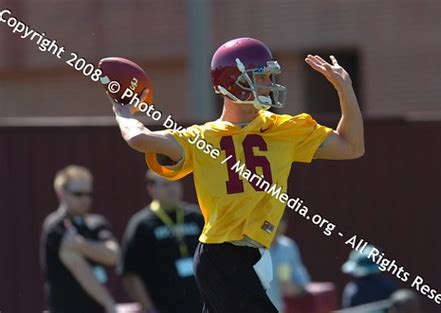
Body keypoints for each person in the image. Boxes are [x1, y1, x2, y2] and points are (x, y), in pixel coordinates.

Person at [111, 37, 364, 313]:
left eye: (270, 76)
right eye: (261, 76)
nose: (269, 83)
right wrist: (123, 112)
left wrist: (345, 90)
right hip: (222, 253)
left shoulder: (285, 129)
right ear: (233, 82)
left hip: (247, 254)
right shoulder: (202, 137)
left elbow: (352, 147)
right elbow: (139, 139)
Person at [118, 170, 204, 313]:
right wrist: (150, 309)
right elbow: (131, 274)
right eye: (165, 184)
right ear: (151, 189)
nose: (172, 188)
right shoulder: (142, 224)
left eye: (175, 182)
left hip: (201, 305)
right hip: (165, 306)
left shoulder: (196, 216)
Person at [40, 165, 120, 313]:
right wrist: (109, 303)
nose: (85, 199)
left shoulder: (97, 223)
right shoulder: (55, 225)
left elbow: (113, 255)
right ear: (61, 193)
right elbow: (80, 268)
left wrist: (79, 244)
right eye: (78, 194)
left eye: (88, 194)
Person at [267, 213, 311, 312]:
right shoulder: (251, 247)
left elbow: (303, 283)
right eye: (272, 219)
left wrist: (292, 288)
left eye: (280, 220)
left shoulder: (288, 247)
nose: (276, 225)